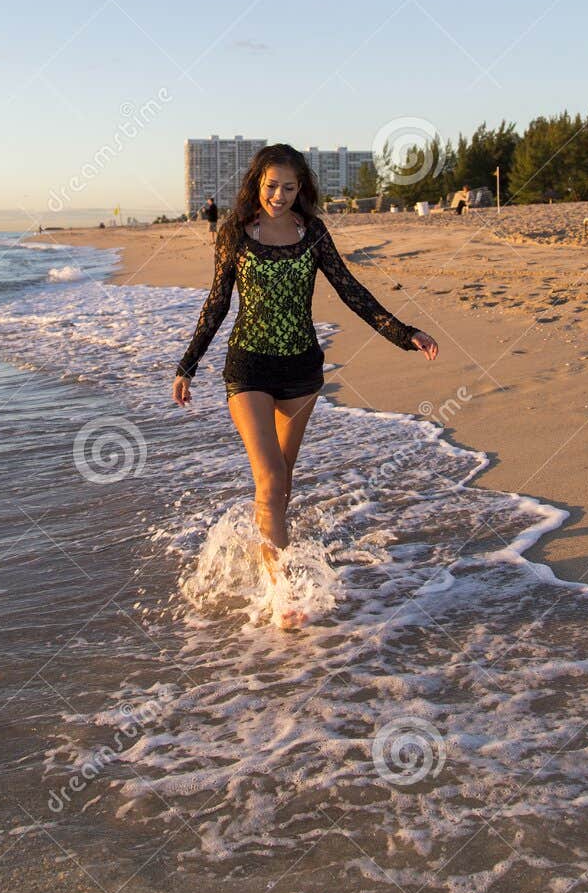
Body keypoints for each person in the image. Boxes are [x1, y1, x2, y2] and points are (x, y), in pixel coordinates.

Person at [172, 144, 438, 618]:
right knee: (271, 478)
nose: (279, 195)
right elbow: (217, 303)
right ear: (257, 183)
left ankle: (268, 560)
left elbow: (352, 290)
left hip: (302, 372)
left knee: (280, 485)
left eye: (289, 188)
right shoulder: (235, 232)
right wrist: (188, 365)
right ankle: (282, 596)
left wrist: (405, 333)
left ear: (302, 189)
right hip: (248, 367)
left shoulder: (311, 232)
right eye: (272, 186)